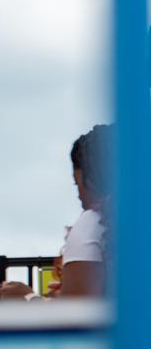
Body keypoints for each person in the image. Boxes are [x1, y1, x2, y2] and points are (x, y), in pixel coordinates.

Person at [55, 124, 113, 297]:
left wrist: (28, 298)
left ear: (94, 179)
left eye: (77, 183)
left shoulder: (94, 223)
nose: (78, 196)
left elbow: (73, 317)